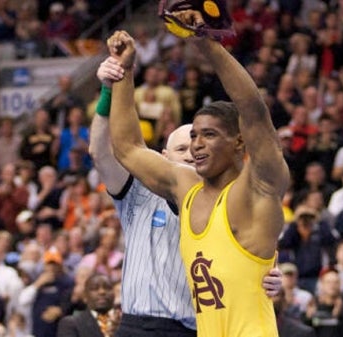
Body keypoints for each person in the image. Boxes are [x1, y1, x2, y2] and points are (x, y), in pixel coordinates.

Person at [106, 13, 288, 337]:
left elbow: (255, 113)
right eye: (193, 136)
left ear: (239, 141)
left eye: (210, 135)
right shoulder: (186, 188)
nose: (196, 145)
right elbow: (128, 148)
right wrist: (125, 71)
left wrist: (206, 44)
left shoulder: (255, 188)